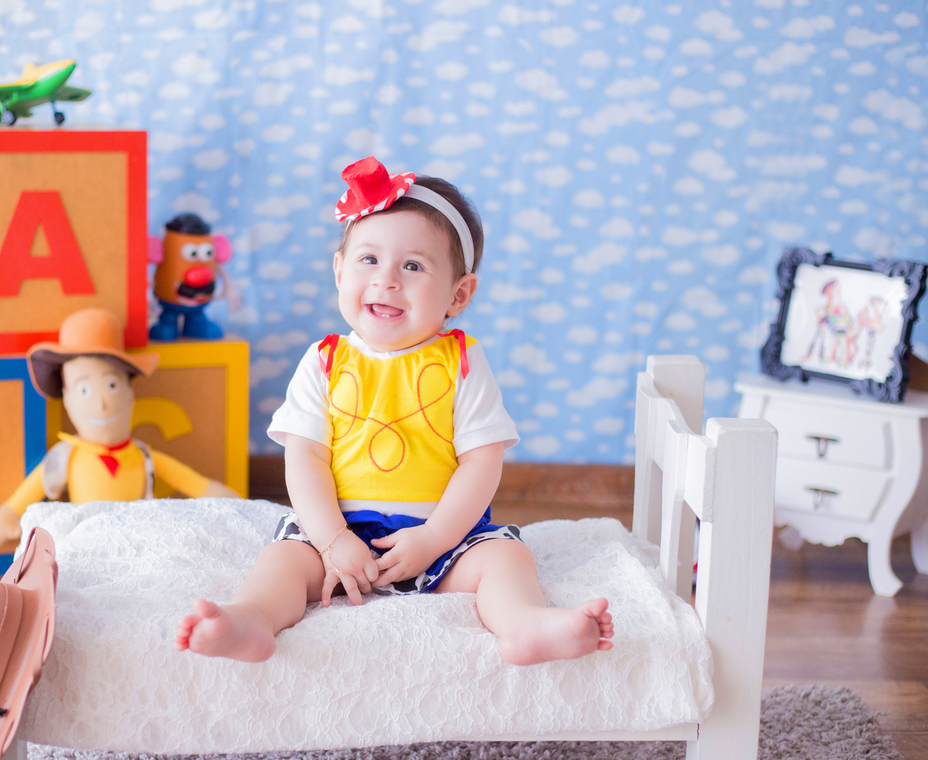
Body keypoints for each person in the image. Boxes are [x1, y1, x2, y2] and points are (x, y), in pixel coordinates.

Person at [175, 157, 613, 666]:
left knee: (507, 557)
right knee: (283, 561)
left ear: (459, 294)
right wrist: (334, 539)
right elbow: (306, 459)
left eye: (412, 266)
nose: (386, 281)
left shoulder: (462, 363)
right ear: (339, 271)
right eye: (368, 260)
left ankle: (524, 624)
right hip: (336, 536)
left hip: (446, 540)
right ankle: (250, 620)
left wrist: (433, 539)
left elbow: (481, 463)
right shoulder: (326, 361)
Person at [0, 307, 238, 552]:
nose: (101, 403)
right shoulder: (65, 456)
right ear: (67, 397)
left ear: (129, 391)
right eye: (84, 390)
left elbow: (190, 481)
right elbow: (31, 490)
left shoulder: (142, 456)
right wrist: (6, 517)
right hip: (87, 539)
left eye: (112, 386)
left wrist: (228, 500)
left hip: (138, 536)